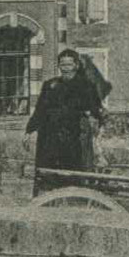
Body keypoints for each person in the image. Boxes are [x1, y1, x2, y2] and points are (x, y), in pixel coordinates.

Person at [26, 48, 107, 193]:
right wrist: (29, 130)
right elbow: (40, 110)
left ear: (76, 65)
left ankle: (71, 199)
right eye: (62, 65)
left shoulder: (86, 86)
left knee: (71, 172)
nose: (66, 69)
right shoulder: (50, 85)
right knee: (47, 172)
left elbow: (96, 111)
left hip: (73, 136)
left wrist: (94, 127)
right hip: (49, 137)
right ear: (59, 66)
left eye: (69, 65)